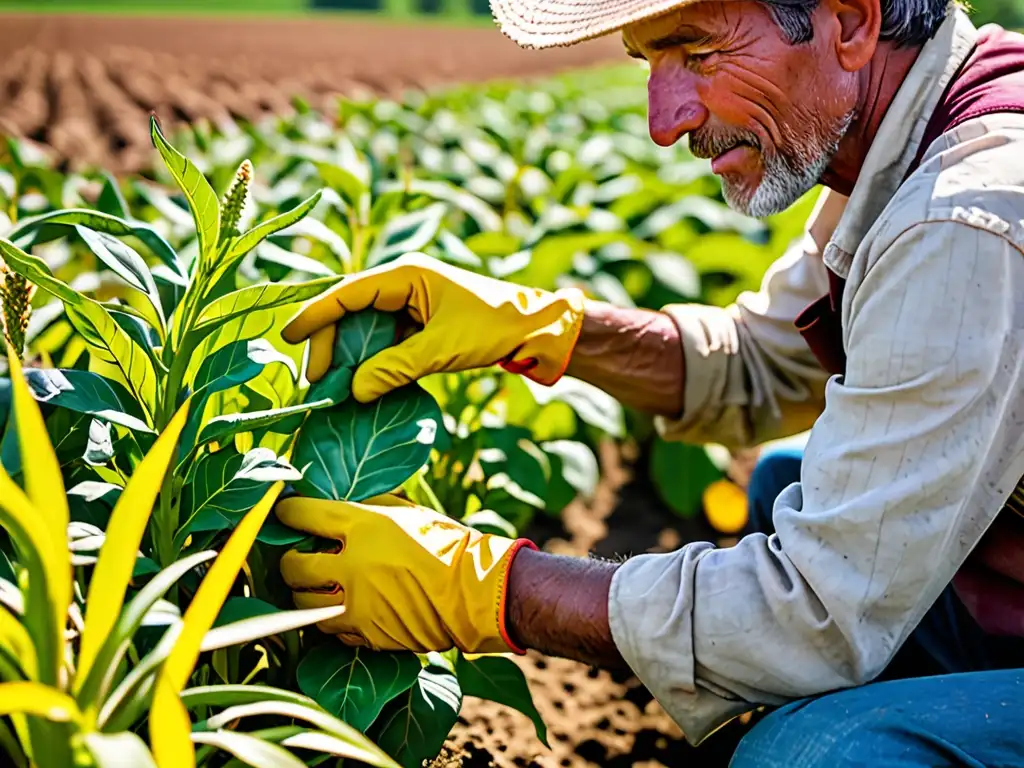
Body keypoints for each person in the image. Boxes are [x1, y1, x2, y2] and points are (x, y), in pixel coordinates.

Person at [274, 0, 1024, 763]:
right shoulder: (905, 132)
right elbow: (757, 365)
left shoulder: (964, 216)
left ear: (853, 23)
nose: (663, 123)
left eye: (697, 53)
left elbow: (815, 615)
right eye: (648, 62)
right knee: (780, 482)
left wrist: (489, 587)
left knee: (811, 755)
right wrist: (541, 328)